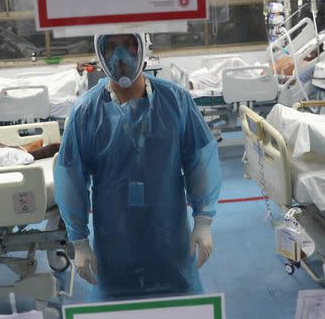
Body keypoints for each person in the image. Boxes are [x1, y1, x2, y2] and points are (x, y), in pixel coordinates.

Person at [54, 33, 222, 299]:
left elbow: (199, 161)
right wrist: (79, 239)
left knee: (179, 315)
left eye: (130, 45)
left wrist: (203, 219)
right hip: (115, 242)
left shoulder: (176, 101)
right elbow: (71, 178)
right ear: (100, 53)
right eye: (110, 47)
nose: (120, 56)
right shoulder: (86, 112)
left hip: (170, 239)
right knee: (118, 318)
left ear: (143, 47)